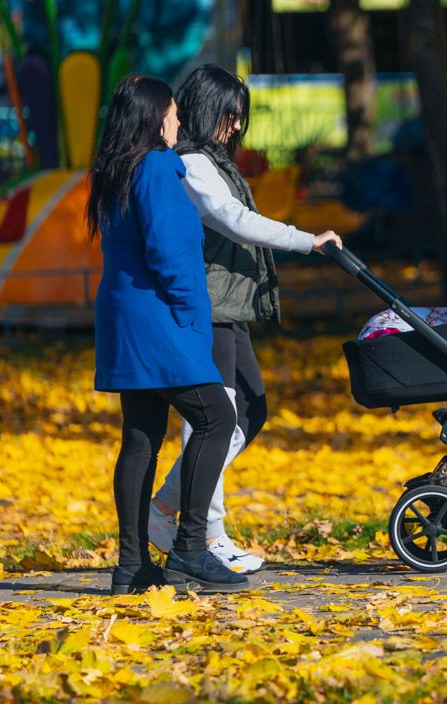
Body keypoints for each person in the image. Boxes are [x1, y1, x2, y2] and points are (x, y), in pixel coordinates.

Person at [147, 64, 341, 573]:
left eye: (240, 118)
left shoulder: (213, 160)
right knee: (213, 421)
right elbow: (234, 221)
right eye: (230, 116)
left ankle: (168, 509)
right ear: (207, 109)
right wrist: (307, 240)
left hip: (229, 306)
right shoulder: (191, 163)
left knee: (249, 413)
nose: (236, 127)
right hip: (208, 306)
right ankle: (205, 532)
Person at [88, 74, 248, 594]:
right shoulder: (157, 168)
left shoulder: (116, 170)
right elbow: (172, 254)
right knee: (217, 417)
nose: (179, 121)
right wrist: (190, 317)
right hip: (161, 320)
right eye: (174, 112)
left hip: (125, 321)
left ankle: (132, 564)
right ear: (156, 117)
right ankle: (190, 549)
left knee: (141, 437)